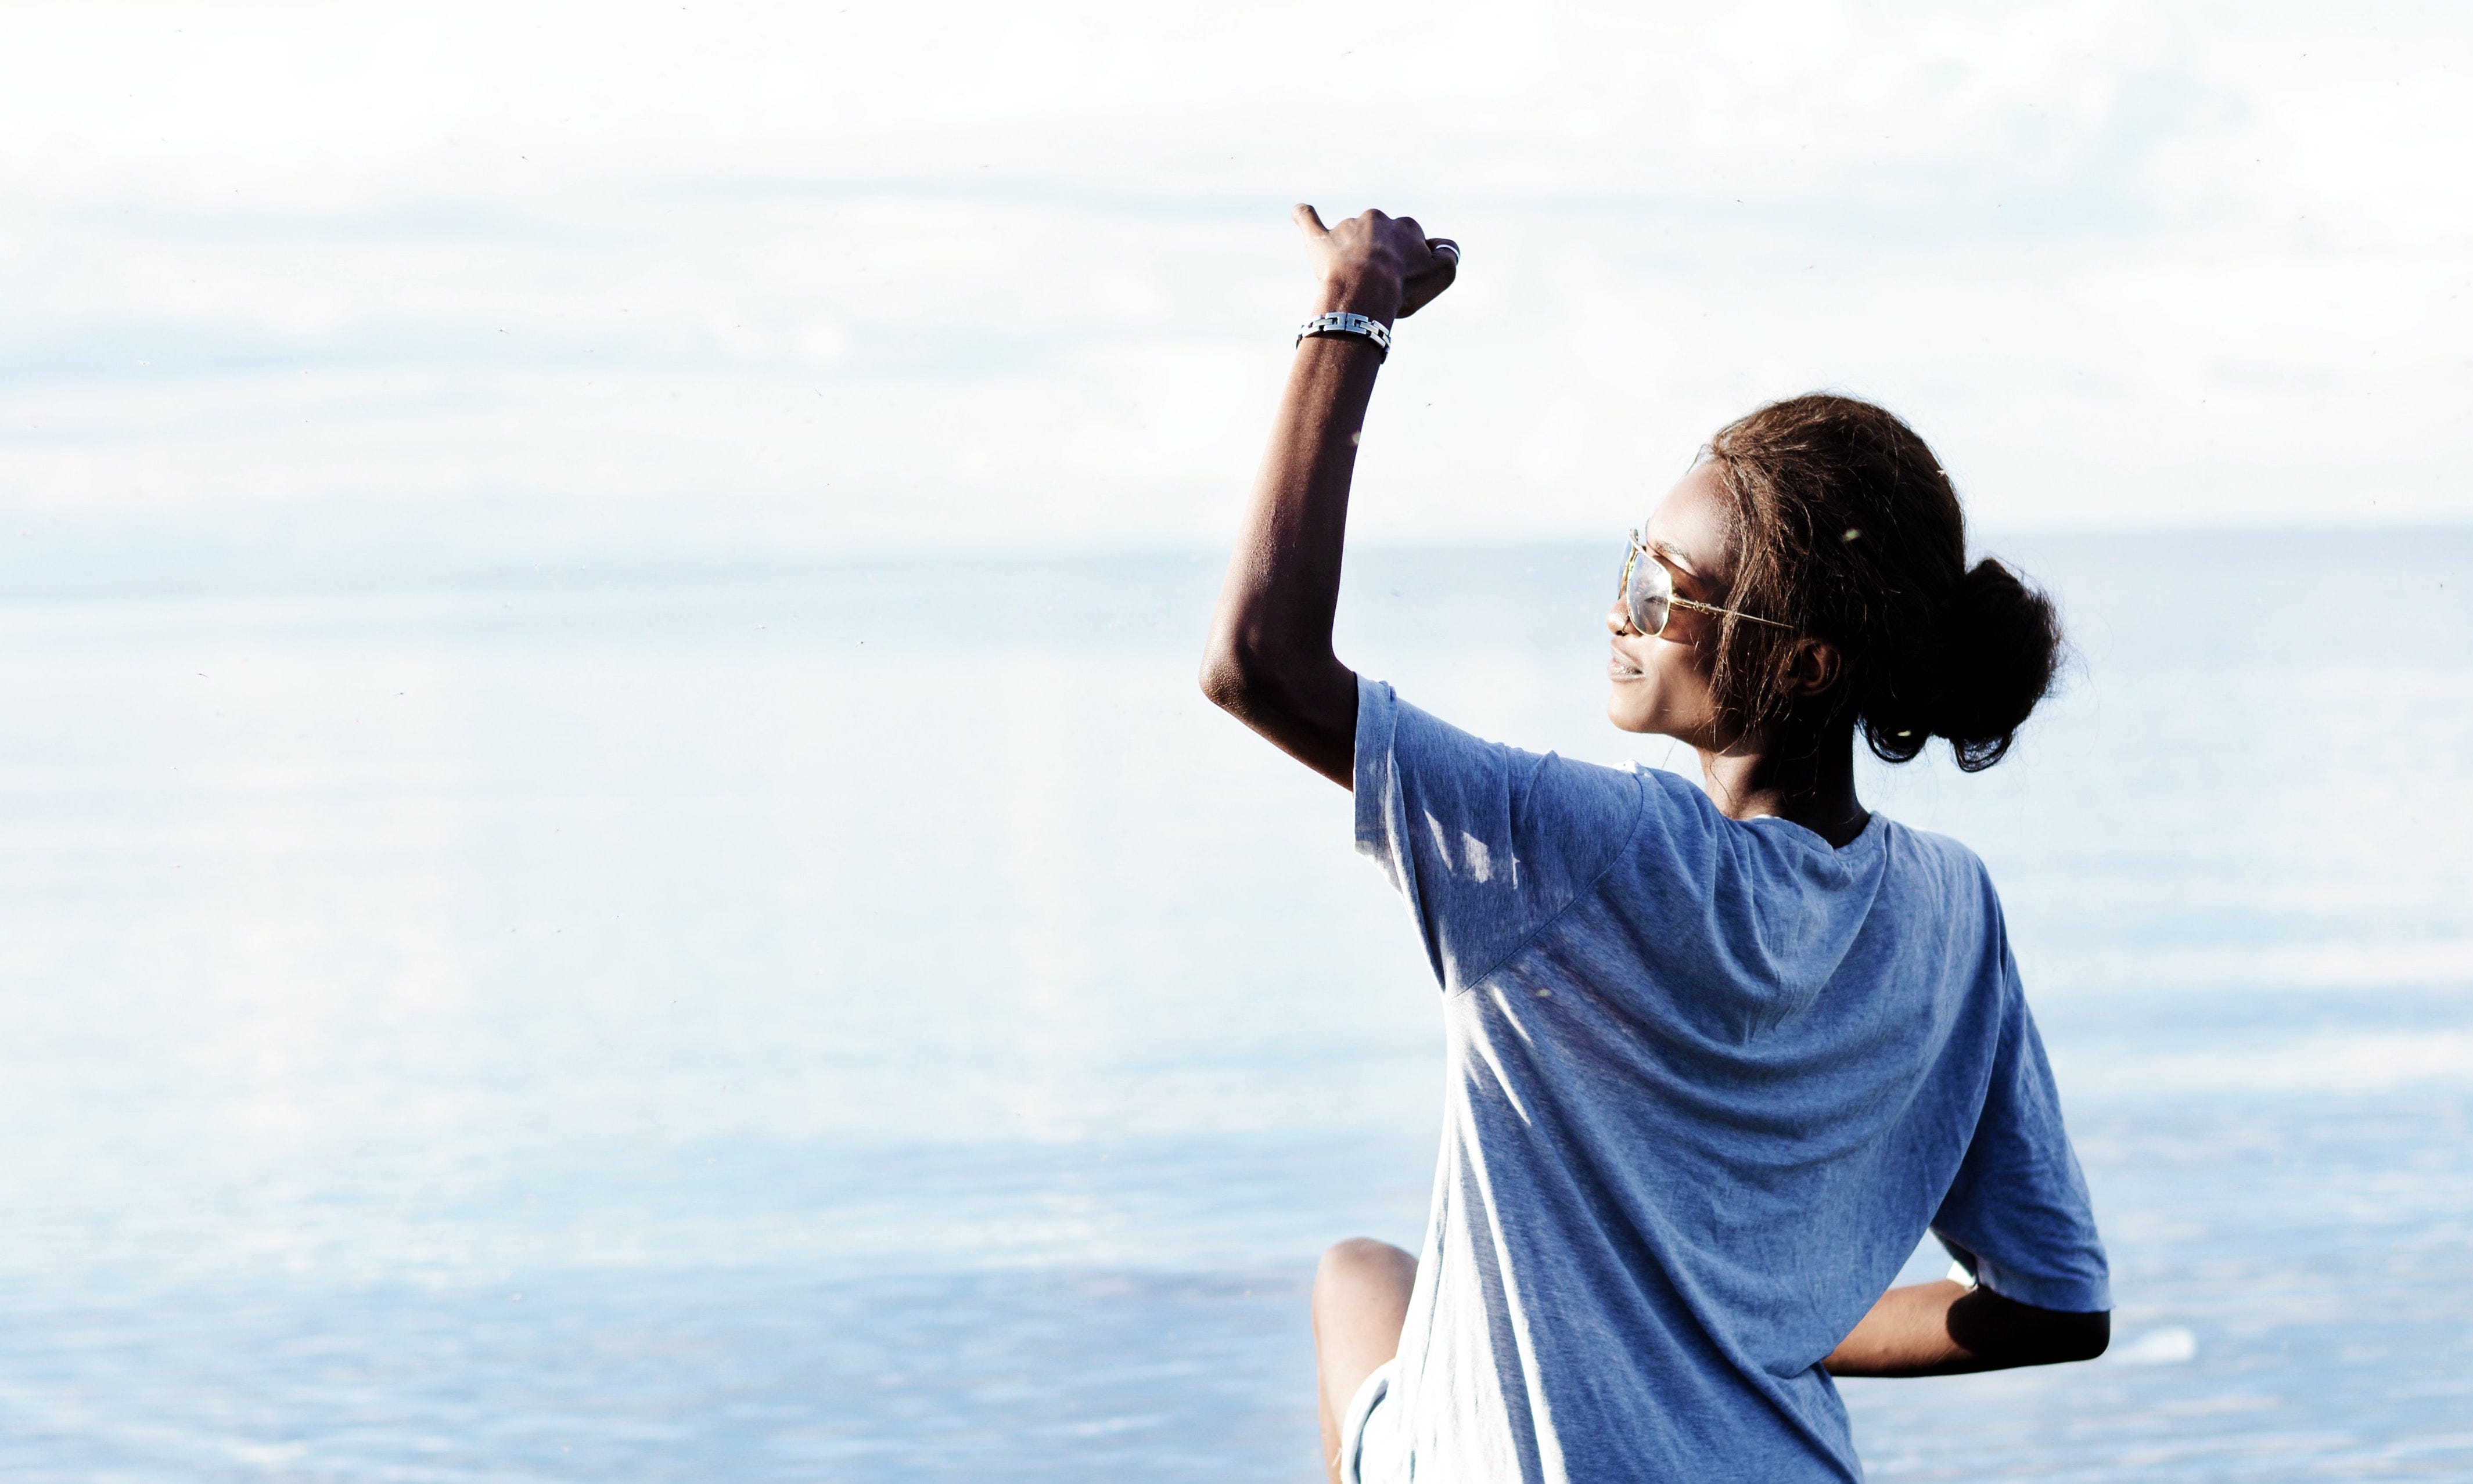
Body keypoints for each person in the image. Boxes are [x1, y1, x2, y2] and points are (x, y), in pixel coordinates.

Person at [1200, 206, 2112, 1484]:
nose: (1616, 610)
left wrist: (1350, 312)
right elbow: (2054, 1309)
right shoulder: (1948, 911)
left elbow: (1258, 667)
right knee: (1372, 1277)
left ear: (1799, 661)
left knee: (1352, 1280)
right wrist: (1743, 1331)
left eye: (1658, 591)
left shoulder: (1590, 853)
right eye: (1627, 563)